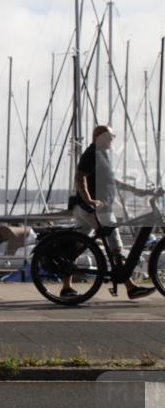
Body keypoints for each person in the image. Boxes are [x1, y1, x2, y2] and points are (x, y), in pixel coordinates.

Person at [62, 125, 157, 299]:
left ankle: (66, 287)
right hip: (97, 209)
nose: (112, 138)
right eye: (110, 136)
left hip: (87, 209)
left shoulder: (100, 154)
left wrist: (137, 190)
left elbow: (112, 180)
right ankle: (130, 287)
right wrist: (89, 199)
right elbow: (79, 176)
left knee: (78, 245)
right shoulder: (92, 154)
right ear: (98, 136)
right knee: (116, 247)